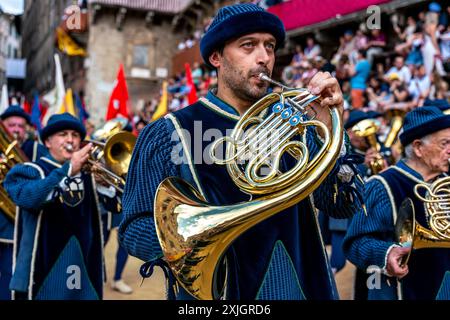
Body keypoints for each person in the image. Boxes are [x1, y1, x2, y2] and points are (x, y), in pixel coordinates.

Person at [119, 3, 364, 300]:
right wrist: (192, 243)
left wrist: (332, 127)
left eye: (270, 47)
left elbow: (343, 205)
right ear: (216, 57)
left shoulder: (299, 121)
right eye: (248, 46)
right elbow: (133, 227)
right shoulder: (167, 132)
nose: (264, 58)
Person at [3, 113, 119, 300]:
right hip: (44, 272)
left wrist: (106, 185)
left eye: (75, 135)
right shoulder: (29, 170)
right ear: (47, 142)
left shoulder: (87, 173)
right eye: (63, 134)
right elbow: (30, 198)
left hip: (85, 268)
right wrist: (69, 170)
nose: (70, 140)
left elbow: (116, 208)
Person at [343, 106, 450, 300]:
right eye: (445, 144)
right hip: (398, 290)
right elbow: (355, 243)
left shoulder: (446, 180)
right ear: (418, 147)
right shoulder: (381, 185)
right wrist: (385, 253)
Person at [0, 105, 46, 300]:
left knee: (11, 280)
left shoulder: (37, 150)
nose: (17, 129)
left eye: (21, 125)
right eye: (12, 125)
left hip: (18, 230)